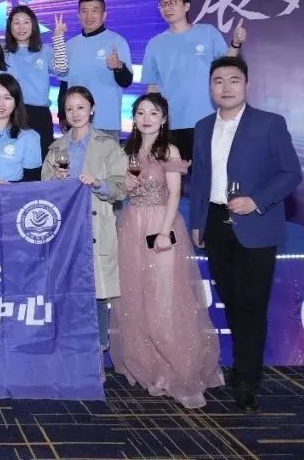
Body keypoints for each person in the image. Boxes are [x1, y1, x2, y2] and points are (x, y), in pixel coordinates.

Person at [190, 57, 301, 412]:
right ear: (210, 87)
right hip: (215, 224)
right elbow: (201, 179)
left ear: (247, 84)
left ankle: (247, 380)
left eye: (234, 80)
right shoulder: (202, 126)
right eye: (218, 81)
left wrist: (256, 201)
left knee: (251, 304)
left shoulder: (270, 123)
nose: (226, 87)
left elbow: (291, 173)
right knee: (234, 301)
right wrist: (197, 222)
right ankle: (244, 366)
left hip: (256, 224)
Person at [107, 91, 223, 409]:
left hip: (161, 223)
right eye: (141, 112)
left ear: (163, 119)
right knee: (135, 297)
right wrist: (124, 185)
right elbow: (119, 191)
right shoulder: (126, 150)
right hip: (131, 225)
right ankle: (150, 367)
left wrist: (163, 231)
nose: (146, 118)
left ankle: (179, 369)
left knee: (164, 297)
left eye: (153, 113)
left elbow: (174, 194)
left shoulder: (169, 150)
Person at [40, 86, 126, 354]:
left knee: (97, 291)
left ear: (92, 109)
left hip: (96, 224)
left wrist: (99, 184)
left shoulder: (108, 145)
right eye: (69, 108)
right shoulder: (56, 147)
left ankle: (97, 355)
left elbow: (121, 187)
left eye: (80, 107)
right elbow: (43, 191)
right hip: (65, 229)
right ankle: (69, 353)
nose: (75, 113)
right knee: (65, 290)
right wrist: (55, 182)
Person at [141, 0, 246, 160]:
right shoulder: (154, 43)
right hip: (171, 123)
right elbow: (152, 87)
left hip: (207, 120)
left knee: (207, 173)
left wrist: (235, 43)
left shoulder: (207, 32)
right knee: (174, 175)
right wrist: (152, 121)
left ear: (186, 6)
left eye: (173, 2)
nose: (167, 8)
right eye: (163, 4)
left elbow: (227, 65)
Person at [63, 0, 133, 140]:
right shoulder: (70, 45)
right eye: (84, 11)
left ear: (104, 15)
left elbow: (126, 82)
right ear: (78, 15)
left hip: (106, 124)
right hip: (76, 122)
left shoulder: (117, 42)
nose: (89, 16)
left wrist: (119, 67)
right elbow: (64, 84)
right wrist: (62, 115)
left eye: (95, 10)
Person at [4, 5, 68, 156]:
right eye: (16, 22)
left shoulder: (44, 50)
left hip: (39, 114)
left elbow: (62, 69)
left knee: (42, 158)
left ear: (33, 25)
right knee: (12, 158)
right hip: (11, 113)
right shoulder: (3, 53)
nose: (21, 27)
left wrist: (58, 38)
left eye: (26, 22)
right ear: (10, 26)